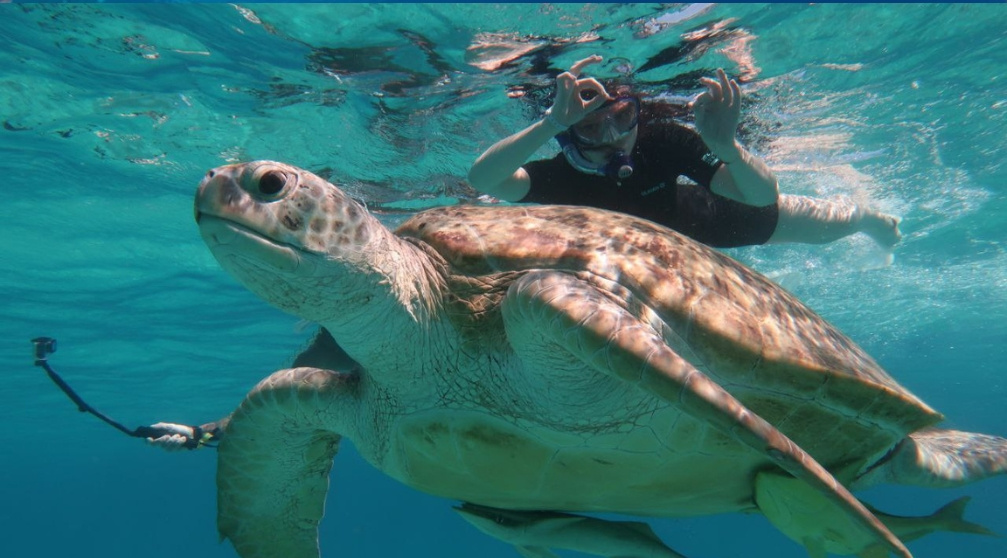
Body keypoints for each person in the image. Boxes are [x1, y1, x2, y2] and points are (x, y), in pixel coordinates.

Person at [468, 55, 901, 249]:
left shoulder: (665, 140)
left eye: (623, 118)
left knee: (816, 226)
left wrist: (728, 148)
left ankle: (864, 217)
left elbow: (761, 196)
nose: (614, 136)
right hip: (640, 262)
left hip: (708, 224)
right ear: (569, 137)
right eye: (591, 128)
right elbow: (483, 180)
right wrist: (548, 123)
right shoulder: (559, 176)